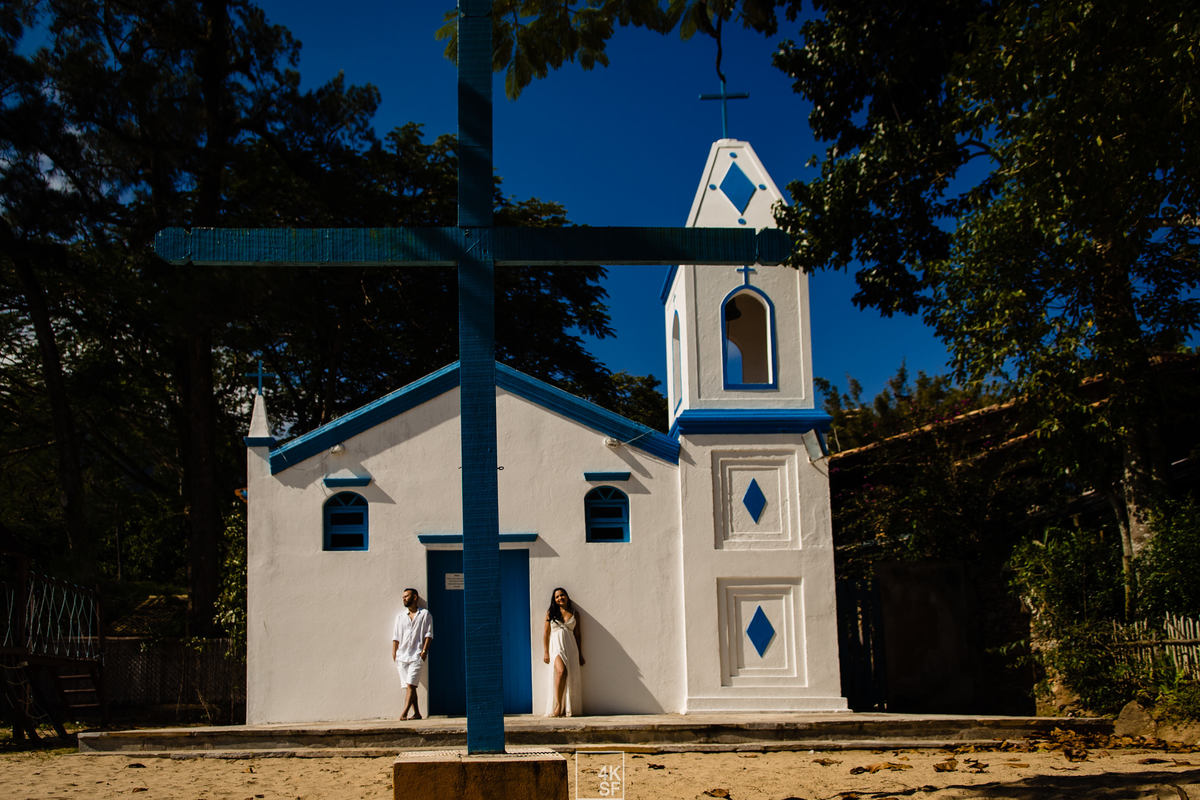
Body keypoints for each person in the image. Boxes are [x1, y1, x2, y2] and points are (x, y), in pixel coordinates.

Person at [391, 587, 433, 720]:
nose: (403, 598)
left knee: (410, 685)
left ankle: (404, 713)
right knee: (410, 687)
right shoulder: (400, 617)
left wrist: (424, 651)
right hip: (402, 656)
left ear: (415, 597)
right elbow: (396, 637)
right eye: (403, 596)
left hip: (416, 655)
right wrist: (395, 653)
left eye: (406, 596)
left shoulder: (425, 614)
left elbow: (429, 634)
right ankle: (417, 714)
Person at [542, 586, 584, 717]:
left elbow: (578, 635)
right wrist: (546, 652)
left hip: (571, 647)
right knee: (561, 671)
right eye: (557, 597)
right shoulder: (551, 612)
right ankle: (558, 704)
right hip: (556, 646)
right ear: (554, 600)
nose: (560, 598)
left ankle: (566, 706)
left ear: (566, 596)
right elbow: (546, 633)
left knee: (568, 675)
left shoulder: (575, 613)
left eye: (562, 595)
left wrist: (580, 654)